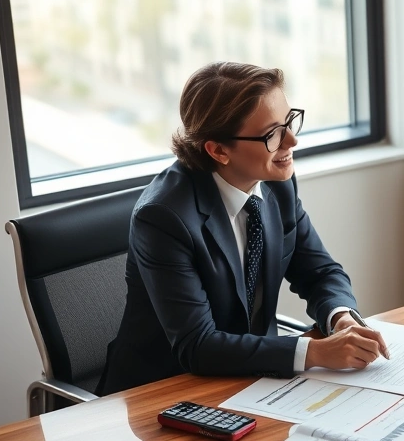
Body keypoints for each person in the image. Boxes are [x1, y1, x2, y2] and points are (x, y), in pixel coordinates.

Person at [97, 62, 387, 395]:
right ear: (218, 150)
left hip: (255, 380)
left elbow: (319, 272)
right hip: (166, 392)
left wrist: (341, 319)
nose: (292, 140)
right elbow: (198, 345)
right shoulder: (163, 218)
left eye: (289, 121)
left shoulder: (277, 184)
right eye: (272, 134)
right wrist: (315, 352)